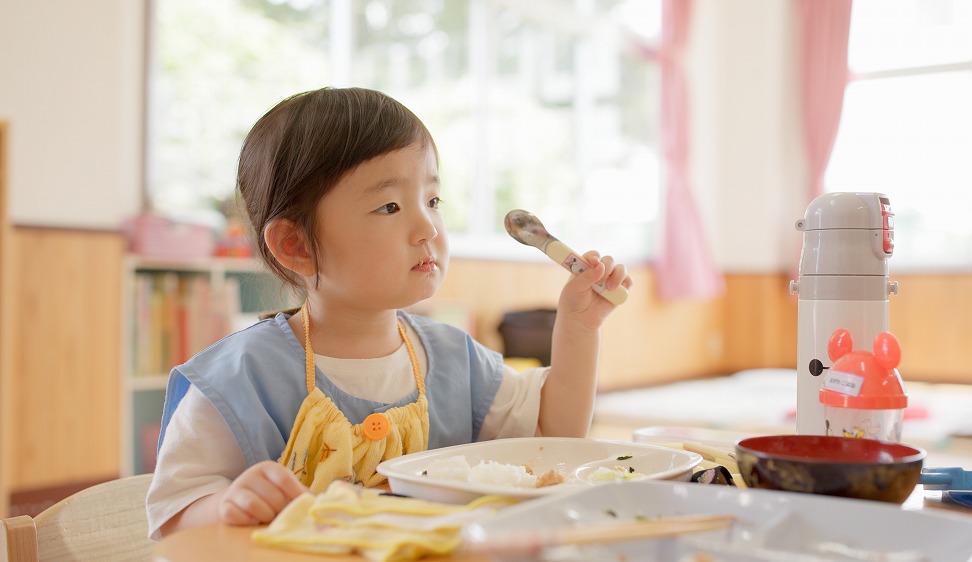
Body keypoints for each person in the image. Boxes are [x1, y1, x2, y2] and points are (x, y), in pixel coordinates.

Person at [146, 87, 632, 539]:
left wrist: (579, 327)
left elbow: (556, 433)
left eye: (433, 199)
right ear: (296, 245)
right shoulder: (238, 378)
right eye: (390, 206)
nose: (428, 227)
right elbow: (173, 514)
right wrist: (230, 504)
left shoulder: (453, 359)